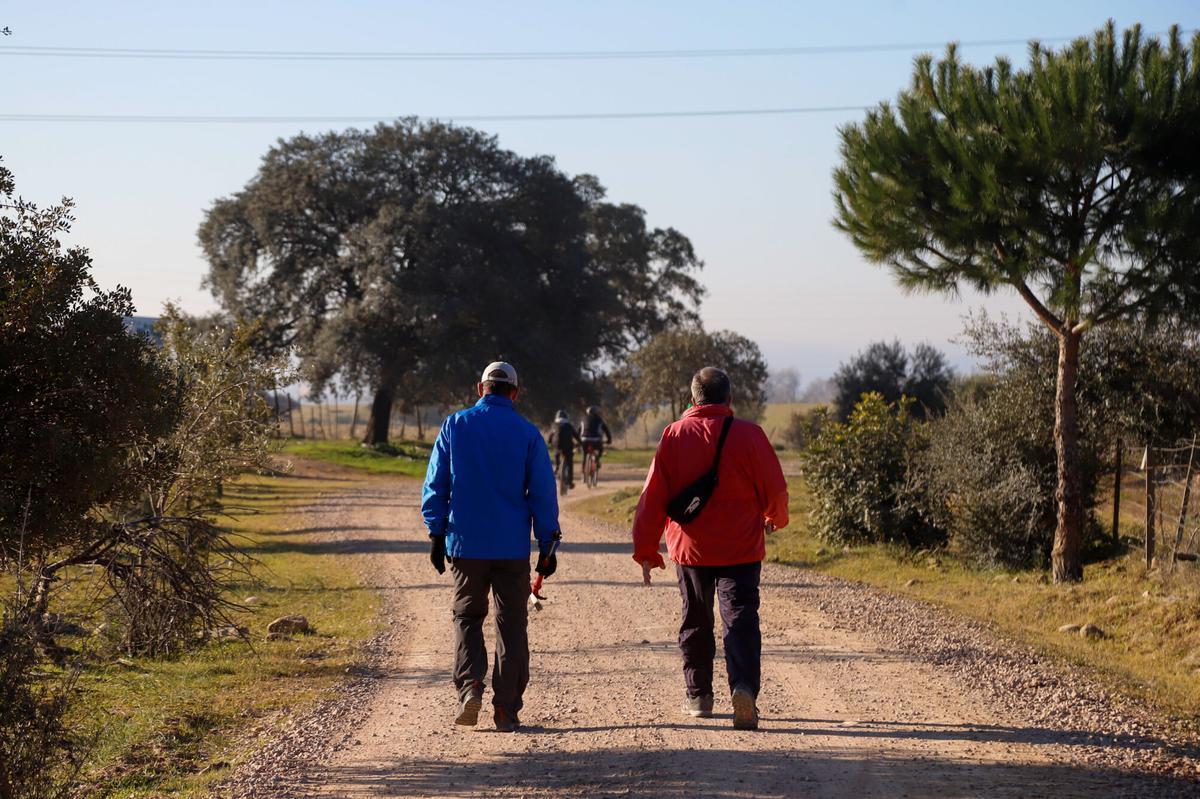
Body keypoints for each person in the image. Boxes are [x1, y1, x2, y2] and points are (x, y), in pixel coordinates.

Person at [630, 366, 788, 730]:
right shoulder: (751, 435)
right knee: (741, 618)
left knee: (696, 618)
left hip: (691, 549)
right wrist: (775, 518)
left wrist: (646, 550)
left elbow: (652, 497)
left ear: (692, 400)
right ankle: (744, 688)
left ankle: (698, 696)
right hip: (742, 548)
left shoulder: (673, 434)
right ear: (729, 399)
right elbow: (776, 489)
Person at [421, 361, 561, 732]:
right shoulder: (528, 433)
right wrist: (547, 546)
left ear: (479, 388)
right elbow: (543, 494)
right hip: (511, 549)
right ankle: (506, 708)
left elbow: (436, 484)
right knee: (511, 623)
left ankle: (469, 687)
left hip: (466, 546)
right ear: (514, 393)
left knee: (467, 618)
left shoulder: (455, 425)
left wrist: (436, 534)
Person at [548, 409, 582, 489]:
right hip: (567, 446)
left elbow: (550, 437)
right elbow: (576, 436)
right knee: (569, 462)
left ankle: (556, 467)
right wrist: (580, 443)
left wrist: (549, 443)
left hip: (556, 445)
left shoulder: (554, 425)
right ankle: (569, 482)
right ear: (566, 417)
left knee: (557, 453)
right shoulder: (569, 425)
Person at [579, 405, 613, 472]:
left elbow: (578, 431)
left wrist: (578, 441)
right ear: (596, 412)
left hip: (584, 440)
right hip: (596, 440)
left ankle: (583, 471)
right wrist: (609, 440)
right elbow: (606, 431)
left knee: (584, 455)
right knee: (600, 450)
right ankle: (597, 460)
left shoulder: (583, 420)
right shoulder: (600, 420)